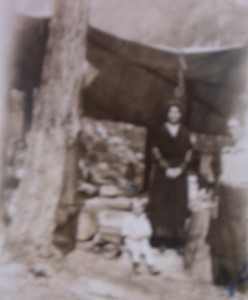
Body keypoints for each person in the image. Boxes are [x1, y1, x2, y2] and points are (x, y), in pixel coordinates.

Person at [210, 117, 248, 293]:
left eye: (234, 128)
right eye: (229, 128)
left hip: (240, 195)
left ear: (242, 128)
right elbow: (220, 174)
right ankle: (226, 279)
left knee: (239, 238)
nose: (231, 131)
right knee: (223, 237)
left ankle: (243, 283)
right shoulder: (227, 150)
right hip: (224, 193)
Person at [148, 100, 193, 248]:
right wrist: (166, 168)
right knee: (160, 202)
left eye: (176, 112)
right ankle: (160, 239)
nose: (173, 115)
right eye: (171, 112)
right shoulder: (159, 130)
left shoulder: (186, 132)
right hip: (163, 171)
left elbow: (189, 152)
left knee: (178, 202)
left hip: (180, 171)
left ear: (180, 114)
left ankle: (176, 240)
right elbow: (155, 150)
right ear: (167, 114)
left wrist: (181, 168)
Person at [184, 177, 218, 272]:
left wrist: (211, 205)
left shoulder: (215, 197)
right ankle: (187, 265)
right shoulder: (197, 192)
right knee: (193, 239)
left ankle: (197, 268)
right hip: (198, 219)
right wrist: (205, 205)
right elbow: (192, 206)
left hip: (208, 223)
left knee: (203, 243)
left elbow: (215, 210)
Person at [121, 197, 160, 275]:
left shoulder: (144, 219)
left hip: (142, 239)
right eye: (135, 208)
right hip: (132, 239)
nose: (137, 210)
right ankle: (136, 266)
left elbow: (148, 230)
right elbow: (124, 230)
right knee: (135, 250)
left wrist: (145, 236)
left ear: (142, 209)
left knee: (147, 250)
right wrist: (128, 237)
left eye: (139, 208)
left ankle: (151, 266)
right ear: (132, 209)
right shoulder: (128, 219)